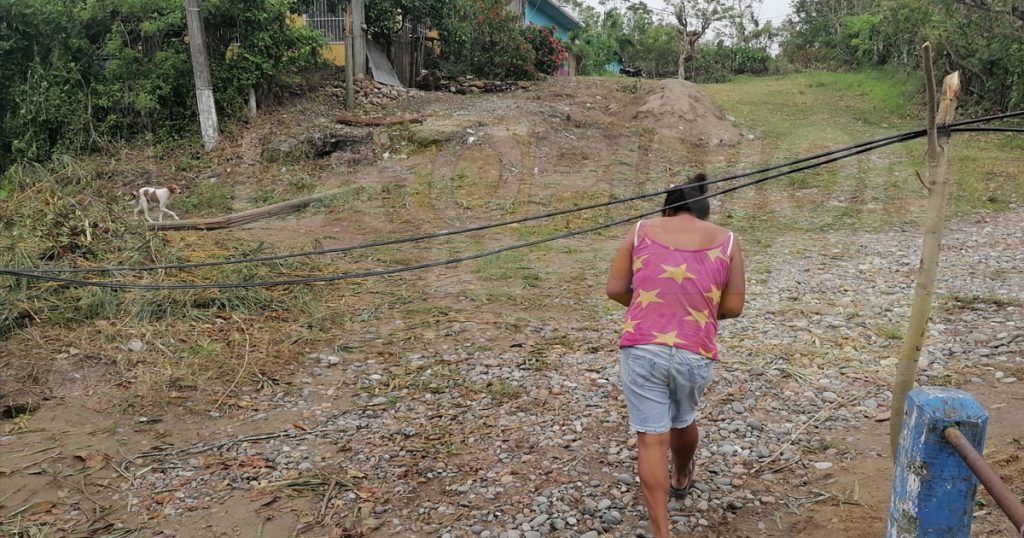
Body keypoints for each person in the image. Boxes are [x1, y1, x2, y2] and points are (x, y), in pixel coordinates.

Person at [605, 173, 746, 538]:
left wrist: (643, 307)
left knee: (651, 438)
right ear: (703, 211)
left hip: (642, 348)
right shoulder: (728, 240)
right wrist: (695, 312)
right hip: (694, 351)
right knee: (683, 419)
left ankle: (661, 533)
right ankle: (681, 476)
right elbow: (733, 306)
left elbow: (615, 289)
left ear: (667, 207)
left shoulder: (640, 231)